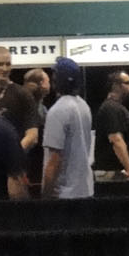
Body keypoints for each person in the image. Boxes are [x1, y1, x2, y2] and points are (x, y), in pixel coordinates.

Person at [41, 58, 94, 199]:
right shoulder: (83, 105)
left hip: (64, 194)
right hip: (85, 190)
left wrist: (45, 195)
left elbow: (55, 159)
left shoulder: (58, 110)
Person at [0, 46, 42, 158]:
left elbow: (32, 135)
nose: (5, 69)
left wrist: (13, 154)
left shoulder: (22, 94)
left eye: (8, 64)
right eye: (0, 64)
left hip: (12, 165)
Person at [94, 70, 129, 181]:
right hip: (117, 174)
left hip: (120, 172)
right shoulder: (110, 108)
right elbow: (116, 140)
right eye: (127, 83)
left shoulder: (117, 108)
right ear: (116, 86)